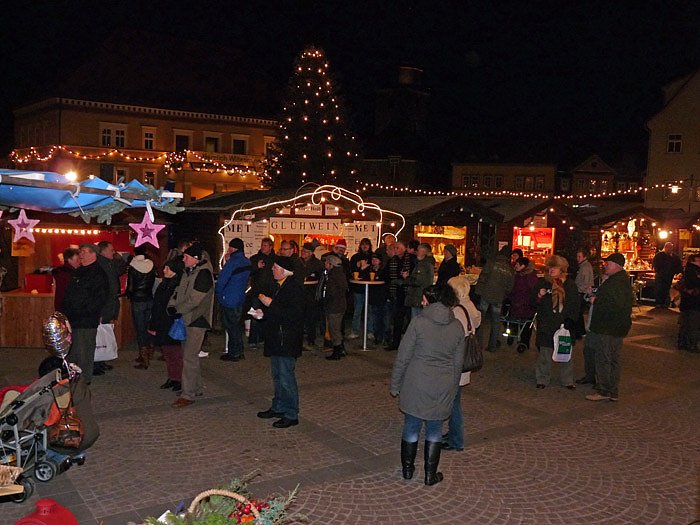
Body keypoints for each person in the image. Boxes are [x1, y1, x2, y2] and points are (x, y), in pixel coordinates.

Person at [390, 284, 464, 486]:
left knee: (411, 425)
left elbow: (403, 356)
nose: (422, 302)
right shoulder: (457, 326)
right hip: (442, 384)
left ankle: (407, 470)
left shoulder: (418, 322)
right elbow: (458, 363)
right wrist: (452, 388)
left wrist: (395, 384)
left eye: (424, 299)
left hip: (417, 381)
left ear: (431, 300)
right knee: (435, 429)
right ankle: (430, 474)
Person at [255, 256, 305, 428]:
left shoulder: (294, 288)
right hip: (277, 338)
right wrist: (263, 314)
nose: (272, 269)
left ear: (284, 271)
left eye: (275, 267)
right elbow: (277, 312)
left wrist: (271, 304)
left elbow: (293, 314)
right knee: (277, 376)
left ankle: (291, 413)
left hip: (287, 339)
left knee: (286, 378)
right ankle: (278, 407)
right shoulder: (278, 286)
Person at [168, 243, 215, 408]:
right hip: (186, 318)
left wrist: (177, 309)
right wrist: (172, 304)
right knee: (190, 356)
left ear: (195, 259)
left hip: (197, 319)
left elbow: (195, 300)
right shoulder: (189, 271)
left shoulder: (203, 275)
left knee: (189, 357)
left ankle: (188, 394)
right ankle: (195, 387)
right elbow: (178, 290)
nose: (183, 259)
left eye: (186, 257)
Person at [585, 253, 633, 402]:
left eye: (608, 263)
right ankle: (612, 390)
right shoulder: (619, 280)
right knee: (612, 358)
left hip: (608, 326)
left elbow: (613, 304)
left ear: (616, 265)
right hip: (616, 326)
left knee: (604, 357)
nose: (605, 265)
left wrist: (595, 301)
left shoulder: (617, 282)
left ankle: (604, 390)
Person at [443, 275, 481, 452]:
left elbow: (452, 339)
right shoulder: (470, 306)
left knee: (453, 403)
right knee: (454, 400)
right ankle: (453, 433)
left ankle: (456, 440)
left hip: (456, 363)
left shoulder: (457, 311)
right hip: (463, 363)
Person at [61, 244, 108, 384]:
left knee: (84, 351)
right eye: (80, 252)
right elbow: (69, 293)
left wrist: (84, 311)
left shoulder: (98, 273)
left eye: (83, 252)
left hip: (86, 320)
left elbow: (100, 298)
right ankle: (72, 376)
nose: (80, 254)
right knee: (72, 351)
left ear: (93, 254)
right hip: (72, 319)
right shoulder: (78, 271)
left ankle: (84, 380)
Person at [532, 255, 579, 390]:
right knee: (545, 353)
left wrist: (571, 319)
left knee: (565, 352)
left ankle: (567, 380)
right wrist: (539, 296)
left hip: (564, 324)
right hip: (547, 323)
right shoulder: (543, 283)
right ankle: (542, 378)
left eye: (555, 267)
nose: (551, 270)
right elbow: (533, 302)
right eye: (550, 267)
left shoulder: (569, 284)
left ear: (561, 269)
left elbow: (575, 303)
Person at [148, 258, 185, 391]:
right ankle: (172, 377)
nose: (164, 271)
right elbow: (157, 304)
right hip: (161, 322)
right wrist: (153, 324)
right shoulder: (164, 284)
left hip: (171, 323)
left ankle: (179, 378)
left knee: (175, 353)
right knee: (167, 352)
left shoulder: (178, 285)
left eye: (167, 268)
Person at [216, 238, 252, 362]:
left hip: (229, 298)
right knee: (237, 326)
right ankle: (239, 351)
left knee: (231, 327)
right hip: (240, 297)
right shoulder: (247, 262)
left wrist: (219, 294)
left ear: (233, 248)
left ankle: (233, 353)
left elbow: (222, 280)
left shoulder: (232, 263)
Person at [474, 245, 514, 352]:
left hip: (486, 295)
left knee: (480, 320)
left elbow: (483, 278)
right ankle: (492, 346)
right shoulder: (510, 269)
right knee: (496, 322)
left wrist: (478, 291)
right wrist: (503, 295)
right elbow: (510, 287)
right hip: (498, 298)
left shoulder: (491, 263)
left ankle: (479, 344)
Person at [127, 246, 157, 369]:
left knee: (140, 329)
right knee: (148, 327)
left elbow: (130, 287)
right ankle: (149, 351)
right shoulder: (151, 265)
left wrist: (130, 296)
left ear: (134, 253)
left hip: (138, 301)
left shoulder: (133, 267)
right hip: (149, 299)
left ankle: (144, 358)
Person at [387, 240, 416, 350]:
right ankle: (395, 342)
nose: (395, 250)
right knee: (397, 319)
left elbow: (414, 277)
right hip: (397, 292)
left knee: (409, 318)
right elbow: (387, 274)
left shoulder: (411, 260)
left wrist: (406, 279)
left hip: (407, 293)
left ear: (404, 249)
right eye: (395, 248)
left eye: (398, 247)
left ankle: (409, 344)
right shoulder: (392, 261)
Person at [507, 256, 538, 351]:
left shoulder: (530, 277)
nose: (515, 266)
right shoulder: (516, 275)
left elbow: (533, 291)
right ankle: (512, 336)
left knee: (526, 325)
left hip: (526, 306)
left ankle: (523, 343)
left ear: (523, 266)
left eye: (517, 264)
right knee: (513, 322)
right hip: (516, 304)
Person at [248, 237, 275, 347]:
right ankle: (253, 340)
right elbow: (248, 271)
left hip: (270, 292)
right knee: (255, 315)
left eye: (265, 245)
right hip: (257, 292)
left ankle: (264, 338)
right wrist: (256, 267)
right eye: (262, 245)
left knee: (268, 316)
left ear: (270, 247)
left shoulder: (275, 259)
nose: (263, 247)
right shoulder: (255, 258)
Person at [323, 254, 349, 360]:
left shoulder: (333, 276)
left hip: (334, 305)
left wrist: (326, 299)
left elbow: (332, 292)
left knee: (334, 329)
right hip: (340, 304)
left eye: (326, 262)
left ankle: (337, 351)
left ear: (331, 264)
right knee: (336, 327)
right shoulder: (340, 273)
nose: (325, 264)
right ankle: (341, 349)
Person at [299, 242, 324, 348]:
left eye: (305, 251)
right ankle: (298, 338)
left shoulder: (317, 264)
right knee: (299, 316)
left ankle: (311, 339)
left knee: (311, 317)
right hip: (300, 292)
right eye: (302, 250)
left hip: (311, 292)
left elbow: (321, 277)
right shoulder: (298, 262)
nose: (303, 253)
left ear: (310, 253)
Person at [349, 237, 374, 339]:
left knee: (370, 311)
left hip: (371, 288)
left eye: (367, 244)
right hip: (358, 287)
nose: (365, 246)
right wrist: (358, 267)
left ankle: (370, 331)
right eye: (363, 244)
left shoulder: (373, 257)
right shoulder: (355, 257)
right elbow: (351, 271)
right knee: (357, 310)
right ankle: (355, 330)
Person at [404, 243, 435, 319]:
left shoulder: (423, 265)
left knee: (416, 319)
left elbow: (418, 281)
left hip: (418, 296)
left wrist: (407, 277)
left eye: (418, 250)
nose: (417, 252)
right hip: (420, 296)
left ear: (424, 252)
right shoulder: (427, 263)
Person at [677, 253, 700, 353]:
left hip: (688, 303)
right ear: (694, 261)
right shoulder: (693, 271)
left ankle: (683, 343)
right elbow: (692, 284)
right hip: (693, 302)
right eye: (698, 260)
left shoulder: (688, 270)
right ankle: (691, 344)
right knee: (692, 324)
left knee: (686, 323)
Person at [368, 253, 390, 346]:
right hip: (373, 297)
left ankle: (386, 338)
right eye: (373, 260)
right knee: (375, 318)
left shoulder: (384, 271)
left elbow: (386, 281)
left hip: (382, 297)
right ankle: (377, 337)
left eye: (376, 259)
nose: (374, 261)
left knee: (385, 319)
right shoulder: (369, 270)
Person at [652, 242, 683, 307]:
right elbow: (655, 263)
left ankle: (664, 303)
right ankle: (659, 303)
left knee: (666, 289)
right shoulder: (659, 255)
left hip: (668, 275)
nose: (669, 249)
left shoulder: (674, 257)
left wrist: (677, 272)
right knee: (659, 288)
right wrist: (658, 270)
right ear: (665, 247)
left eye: (670, 248)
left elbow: (678, 265)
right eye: (668, 248)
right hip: (661, 275)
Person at [574, 248, 594, 339]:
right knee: (579, 313)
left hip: (581, 293)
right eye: (577, 256)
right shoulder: (585, 266)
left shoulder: (584, 267)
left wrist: (579, 289)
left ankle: (580, 332)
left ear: (584, 257)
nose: (577, 258)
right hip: (583, 292)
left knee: (578, 313)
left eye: (579, 256)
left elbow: (585, 282)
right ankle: (581, 331)